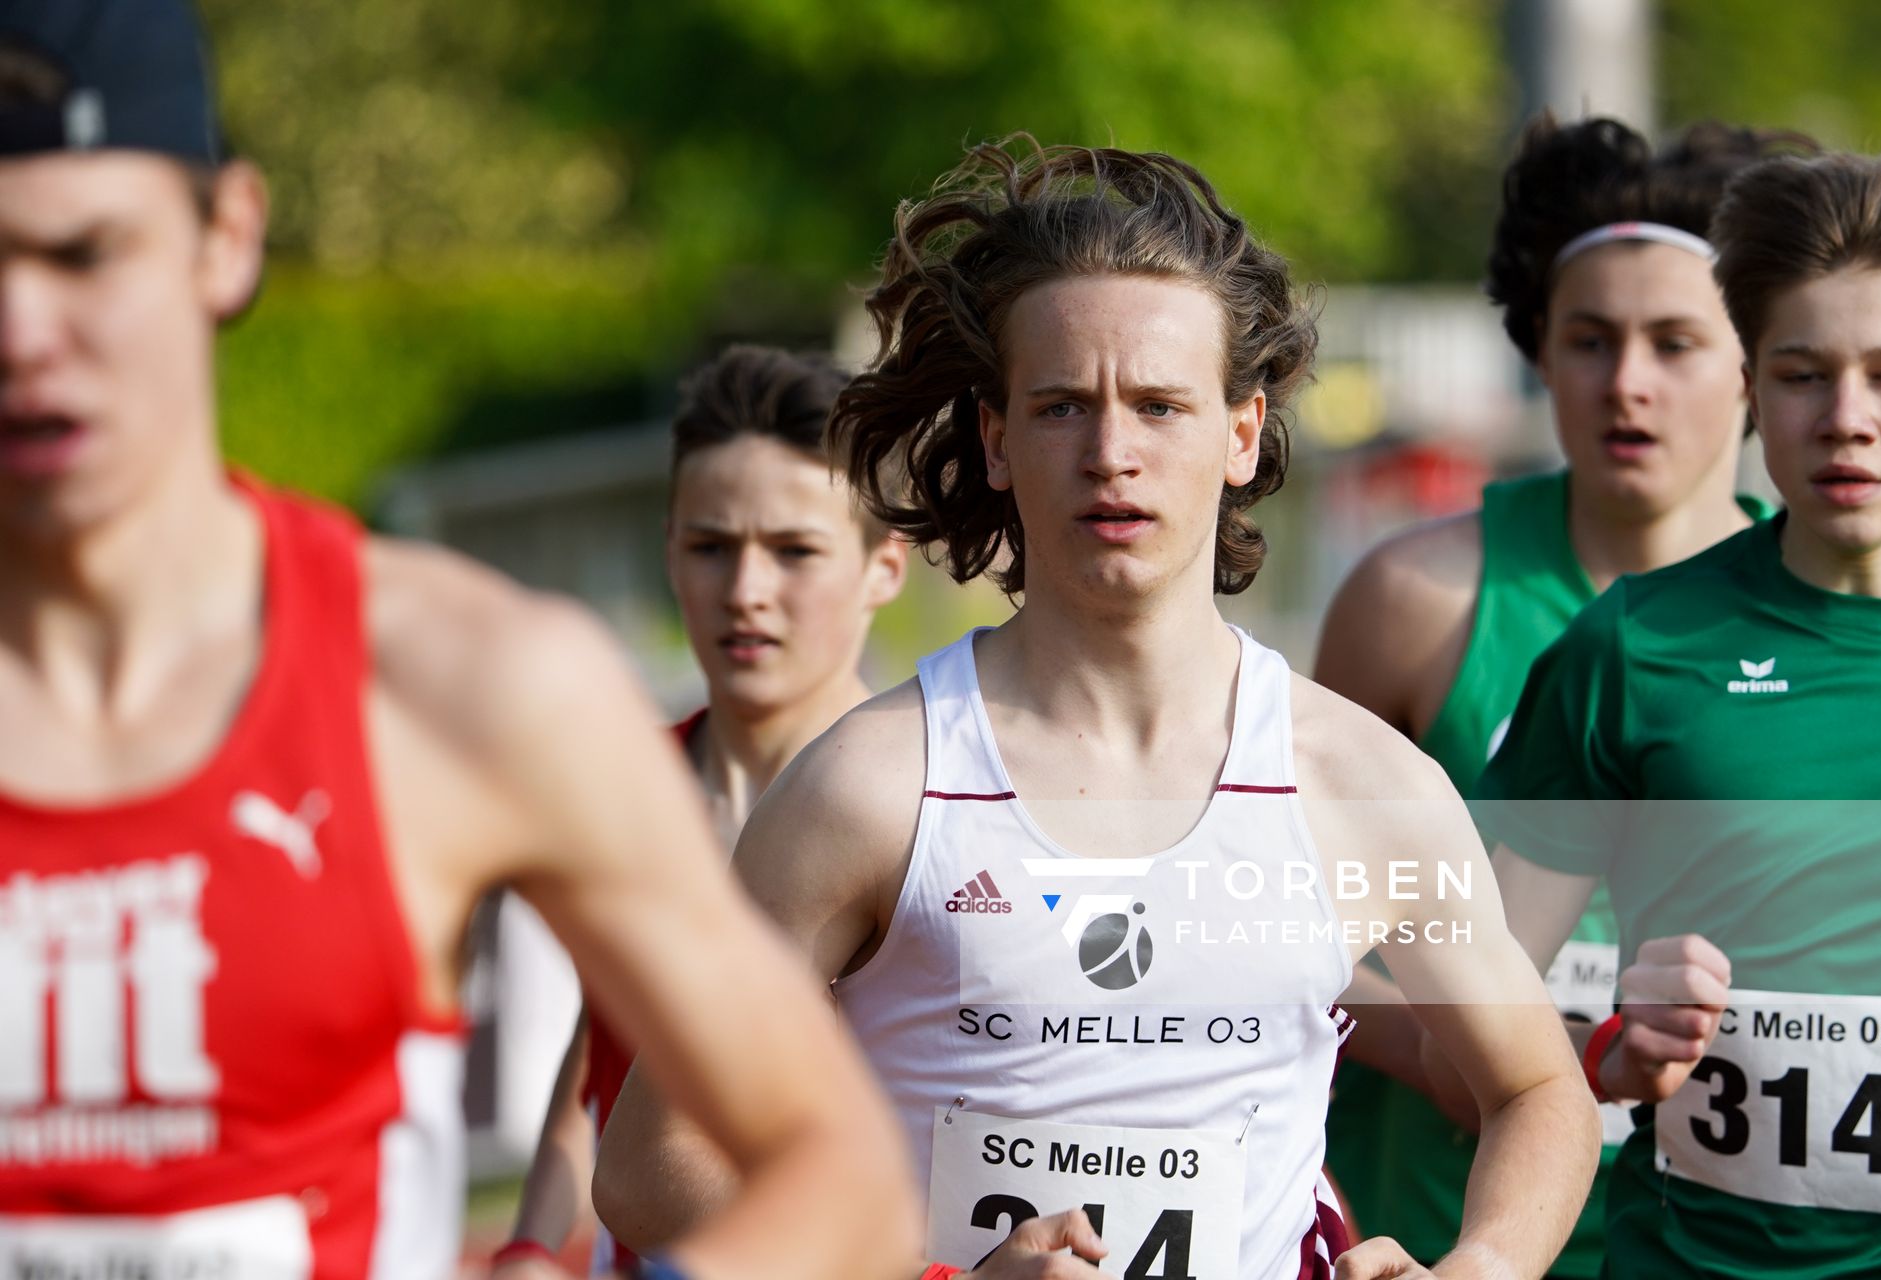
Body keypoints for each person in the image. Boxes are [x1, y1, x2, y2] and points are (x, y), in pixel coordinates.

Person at [0, 6, 917, 1279]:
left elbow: (844, 1174)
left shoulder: (463, 681)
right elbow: (584, 1085)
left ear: (228, 236)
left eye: (84, 252)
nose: (20, 329)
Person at [594, 136, 1599, 1280]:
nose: (1112, 452)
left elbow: (1535, 1088)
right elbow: (645, 1167)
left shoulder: (1361, 785)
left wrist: (1483, 1264)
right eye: (1065, 405)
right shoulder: (869, 784)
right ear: (995, 435)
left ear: (1239, 432)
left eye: (1161, 406)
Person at [1316, 114, 1805, 1276]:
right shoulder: (1418, 596)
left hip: (1708, 1235)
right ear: (1541, 348)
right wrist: (1474, 1035)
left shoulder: (1832, 622)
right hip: (1443, 1226)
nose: (1626, 382)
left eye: (1675, 342)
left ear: (1752, 364)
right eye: (1590, 338)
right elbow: (1287, 921)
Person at [1471, 147, 1881, 1275]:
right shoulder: (1635, 645)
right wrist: (1610, 1048)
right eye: (1804, 372)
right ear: (1752, 390)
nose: (1847, 417)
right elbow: (1471, 996)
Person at [491, 345, 908, 1278]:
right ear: (669, 547)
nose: (746, 591)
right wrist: (527, 1243)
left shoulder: (933, 804)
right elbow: (599, 1047)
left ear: (885, 568)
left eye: (794, 551)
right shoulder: (618, 787)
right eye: (711, 546)